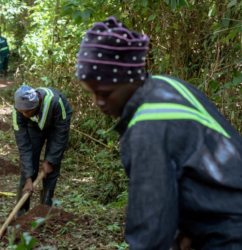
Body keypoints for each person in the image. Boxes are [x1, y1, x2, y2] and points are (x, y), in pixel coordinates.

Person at [78, 16, 242, 250]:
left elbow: (149, 229)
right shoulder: (169, 86)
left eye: (105, 93)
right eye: (90, 93)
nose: (97, 102)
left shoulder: (147, 127)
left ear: (131, 78)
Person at [13, 85, 72, 217]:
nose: (25, 114)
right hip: (34, 126)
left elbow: (61, 134)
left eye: (28, 111)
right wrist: (29, 177)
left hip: (57, 124)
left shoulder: (56, 102)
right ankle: (21, 211)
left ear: (38, 103)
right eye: (22, 111)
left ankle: (45, 206)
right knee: (30, 161)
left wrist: (50, 160)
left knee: (52, 166)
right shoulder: (19, 111)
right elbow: (24, 145)